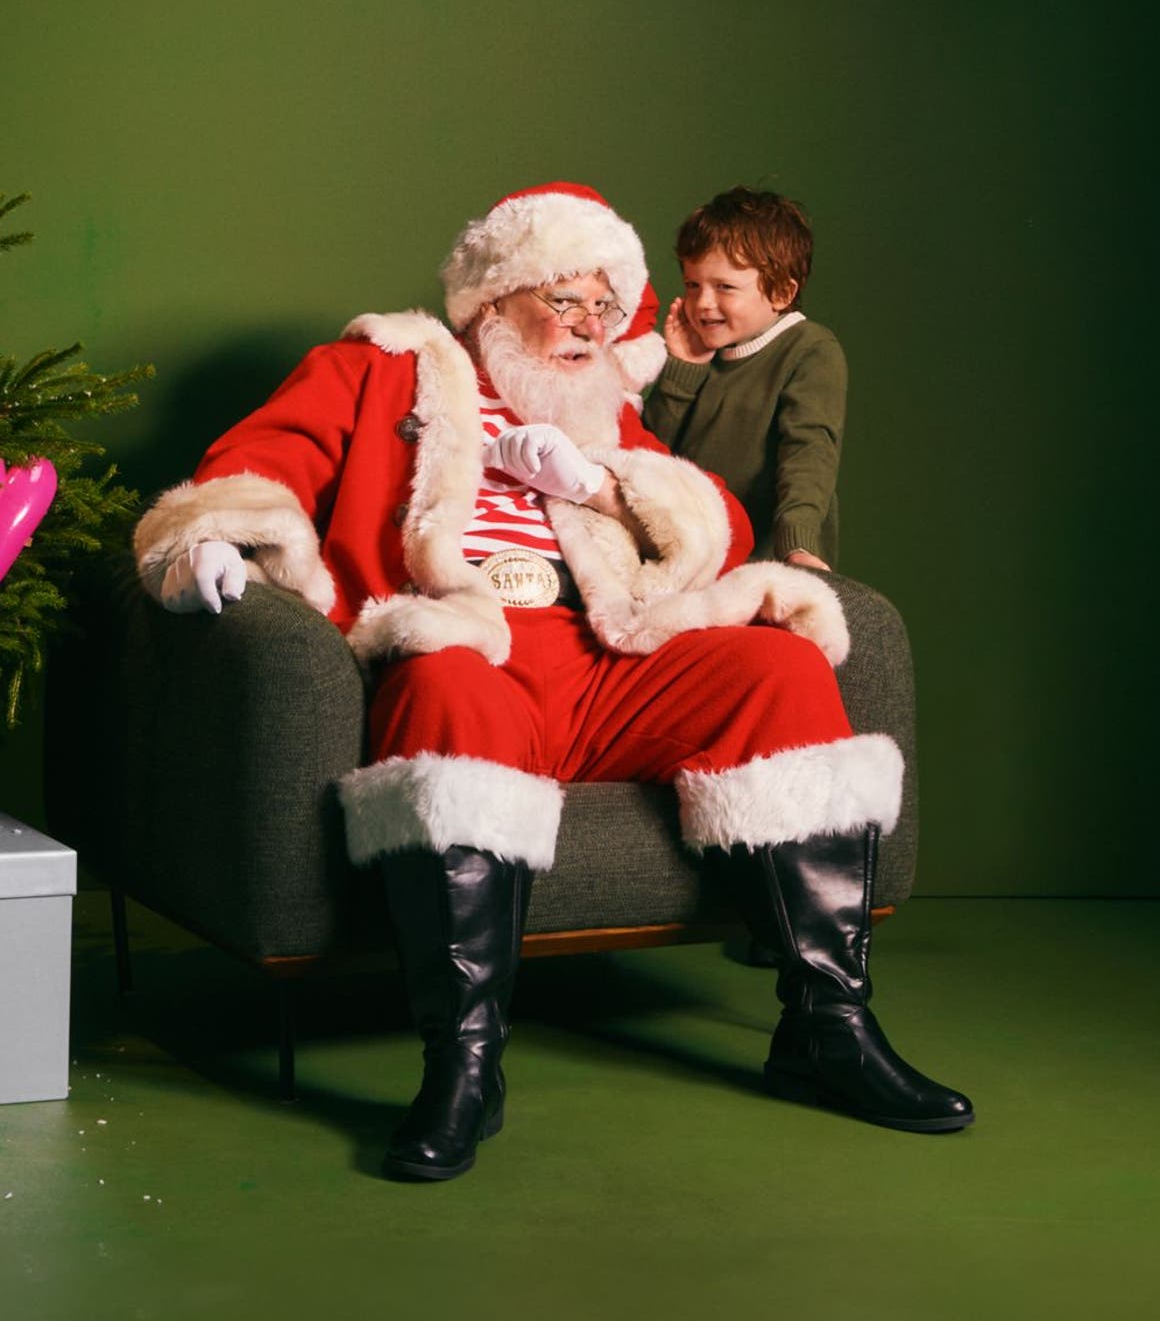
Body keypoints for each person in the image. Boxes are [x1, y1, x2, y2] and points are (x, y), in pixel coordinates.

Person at [134, 182, 972, 1183]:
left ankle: (825, 1028)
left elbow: (719, 534)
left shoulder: (602, 409)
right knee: (444, 694)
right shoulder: (381, 365)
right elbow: (264, 455)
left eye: (603, 305)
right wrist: (211, 539)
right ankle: (464, 1065)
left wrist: (602, 482)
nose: (589, 326)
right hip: (469, 643)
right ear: (496, 297)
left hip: (604, 655)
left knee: (775, 664)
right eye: (564, 299)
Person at [644, 186, 844, 569]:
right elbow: (648, 456)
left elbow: (808, 453)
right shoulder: (698, 353)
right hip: (689, 563)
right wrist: (682, 369)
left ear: (782, 292)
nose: (703, 303)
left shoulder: (808, 348)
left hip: (769, 565)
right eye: (692, 285)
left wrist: (799, 546)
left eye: (725, 287)